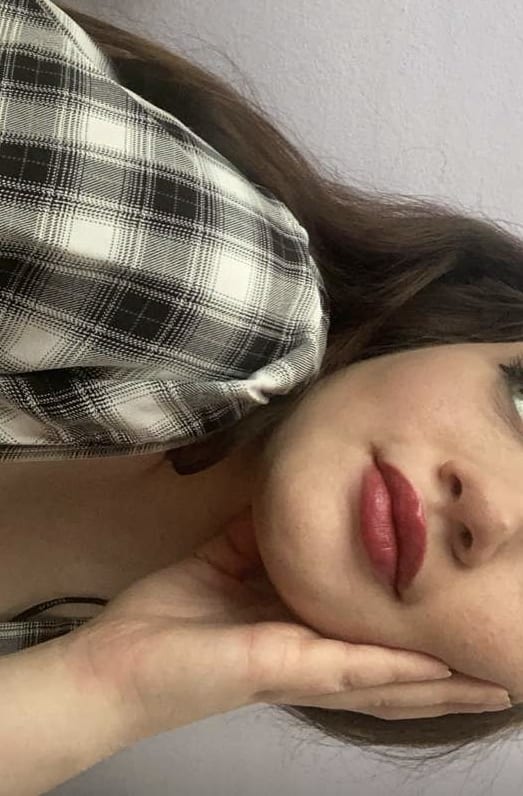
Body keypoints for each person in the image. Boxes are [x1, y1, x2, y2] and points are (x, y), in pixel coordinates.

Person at [0, 0, 521, 790]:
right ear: (471, 332)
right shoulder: (225, 289)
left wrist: (103, 690)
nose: (493, 512)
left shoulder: (97, 655)